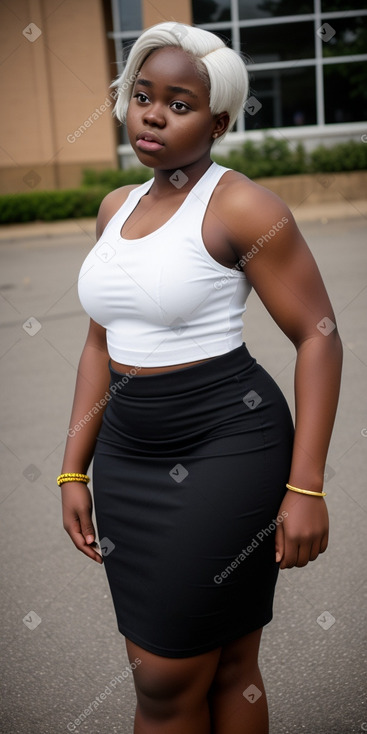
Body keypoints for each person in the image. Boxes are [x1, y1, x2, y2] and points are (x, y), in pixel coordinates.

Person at [59, 22, 342, 734]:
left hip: (225, 444)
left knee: (169, 678)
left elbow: (317, 335)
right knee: (218, 668)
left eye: (178, 104)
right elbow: (100, 342)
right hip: (127, 456)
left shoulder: (241, 207)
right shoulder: (113, 208)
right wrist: (72, 471)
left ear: (217, 121)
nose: (151, 114)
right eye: (141, 96)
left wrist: (305, 485)